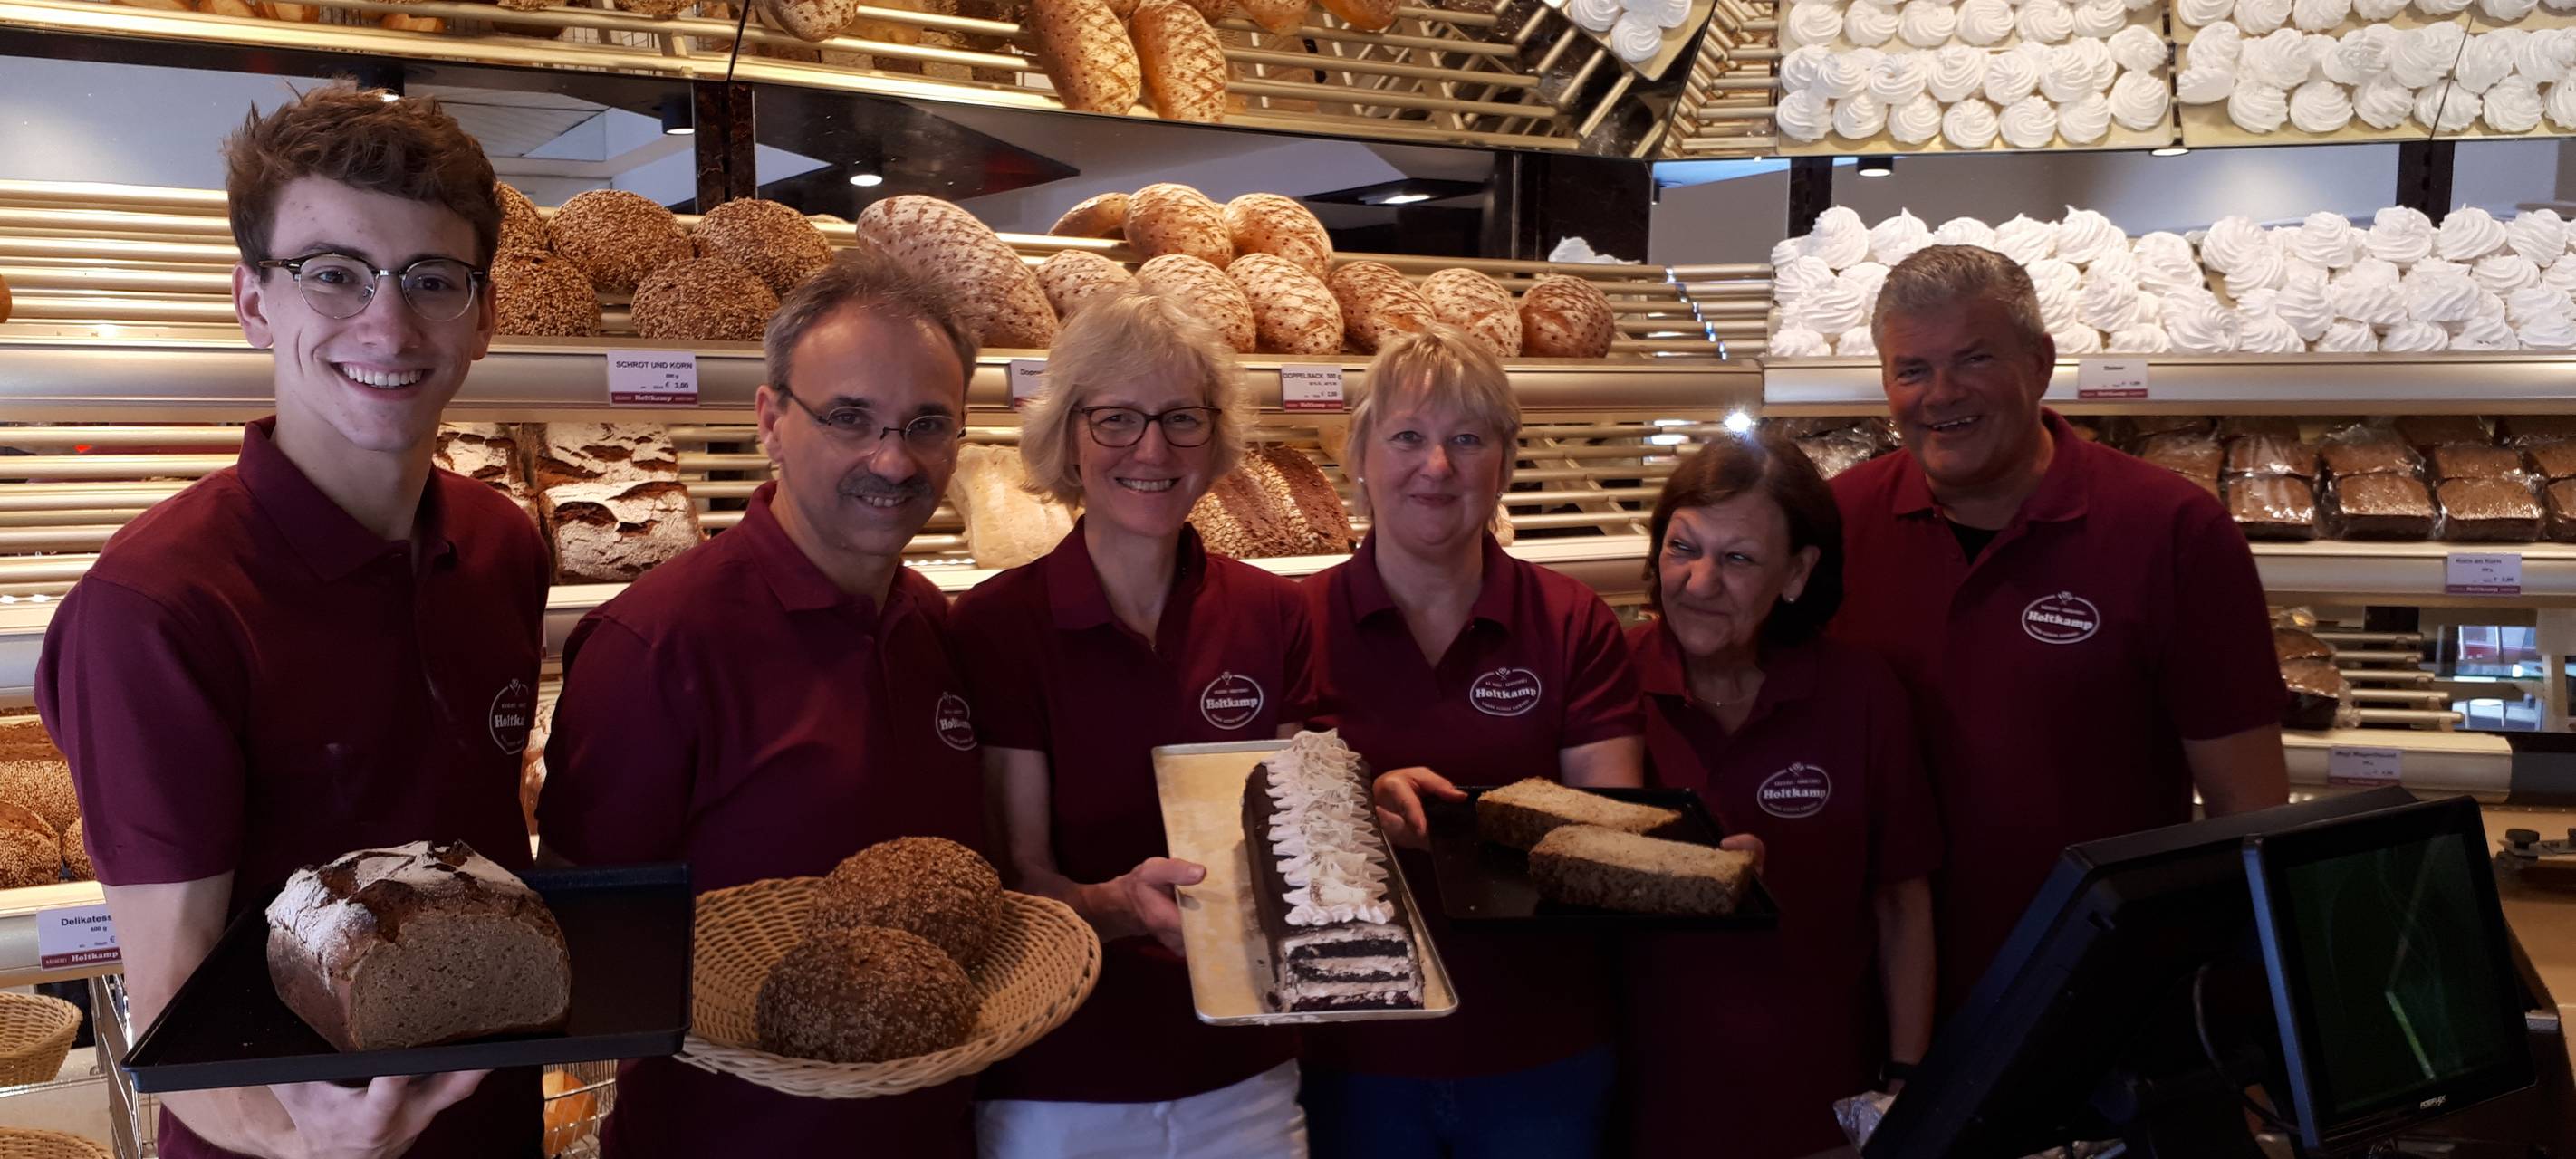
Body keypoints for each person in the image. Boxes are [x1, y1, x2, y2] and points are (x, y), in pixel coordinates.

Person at [35, 85, 543, 1158]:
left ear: (485, 315)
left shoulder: (502, 543)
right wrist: (312, 1138)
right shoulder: (156, 608)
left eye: (432, 279)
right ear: (254, 300)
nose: (388, 325)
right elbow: (171, 1002)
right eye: (333, 274)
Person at [536, 247, 988, 1155]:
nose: (893, 459)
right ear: (772, 421)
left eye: (927, 424)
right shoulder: (657, 645)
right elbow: (589, 941)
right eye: (850, 418)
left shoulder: (933, 624)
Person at [1302, 325, 1723, 1159]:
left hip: (1541, 1052)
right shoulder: (1292, 625)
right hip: (1352, 1051)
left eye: (1467, 440)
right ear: (1358, 458)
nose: (1437, 467)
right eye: (1407, 437)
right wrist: (1361, 809)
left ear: (1504, 464)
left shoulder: (1569, 621)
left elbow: (1602, 833)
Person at [1833, 244, 2288, 1011]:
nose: (1941, 394)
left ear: (2040, 363)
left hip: (2097, 1000)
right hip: (1874, 996)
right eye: (1912, 370)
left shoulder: (2174, 530)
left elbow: (2251, 815)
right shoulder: (1838, 523)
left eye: (1973, 359)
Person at [947, 292, 1313, 1158]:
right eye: (1116, 419)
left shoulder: (1274, 613)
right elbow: (1018, 877)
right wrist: (1118, 906)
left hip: (1247, 1077)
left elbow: (1295, 836)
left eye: (1182, 418)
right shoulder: (1000, 627)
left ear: (1215, 438)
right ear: (1070, 438)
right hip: (1063, 1083)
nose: (1152, 450)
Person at [1621, 431, 1940, 1158]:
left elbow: (1902, 901)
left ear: (1796, 572)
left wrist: (1906, 1079)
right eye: (1682, 548)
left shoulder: (1861, 696)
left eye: (1738, 559)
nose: (1699, 582)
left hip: (1816, 1104)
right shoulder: (1607, 679)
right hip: (1639, 1104)